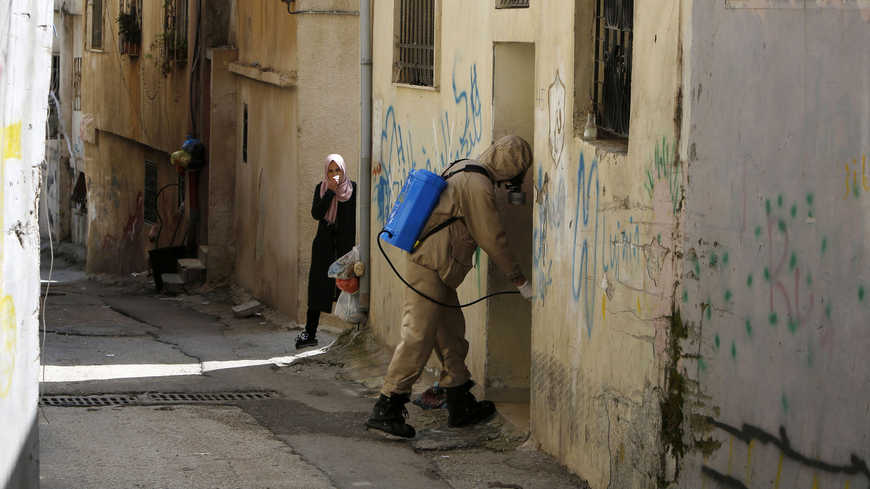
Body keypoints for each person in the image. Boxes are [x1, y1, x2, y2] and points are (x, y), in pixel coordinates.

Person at [366, 135, 534, 438]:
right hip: (430, 266)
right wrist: (519, 278)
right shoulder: (478, 186)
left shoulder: (465, 167)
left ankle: (459, 400)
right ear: (512, 169)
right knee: (418, 335)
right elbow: (492, 237)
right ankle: (387, 405)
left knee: (451, 335)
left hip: (437, 267)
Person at [296, 154, 357, 349]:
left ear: (343, 170)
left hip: (344, 247)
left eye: (337, 170)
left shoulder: (353, 190)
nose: (334, 175)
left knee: (348, 287)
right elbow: (316, 214)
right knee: (317, 287)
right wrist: (330, 192)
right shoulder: (321, 189)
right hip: (323, 245)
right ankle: (310, 332)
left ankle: (355, 331)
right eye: (330, 171)